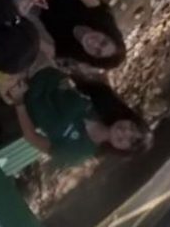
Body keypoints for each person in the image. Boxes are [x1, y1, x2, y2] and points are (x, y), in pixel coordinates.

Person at [13, 70, 148, 166]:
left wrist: (19, 101)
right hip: (40, 68)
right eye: (132, 126)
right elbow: (78, 76)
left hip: (16, 98)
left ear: (123, 150)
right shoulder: (103, 103)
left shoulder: (78, 154)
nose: (126, 131)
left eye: (130, 140)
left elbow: (31, 137)